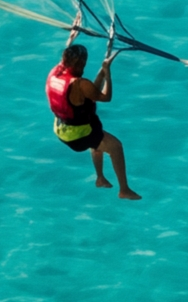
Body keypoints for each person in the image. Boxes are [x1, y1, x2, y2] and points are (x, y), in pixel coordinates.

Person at [44, 34, 136, 199]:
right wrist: (107, 73)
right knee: (115, 147)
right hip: (77, 135)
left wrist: (72, 36)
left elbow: (89, 94)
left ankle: (100, 178)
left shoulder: (56, 72)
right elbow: (105, 97)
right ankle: (124, 190)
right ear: (81, 64)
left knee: (96, 138)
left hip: (61, 128)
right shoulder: (81, 84)